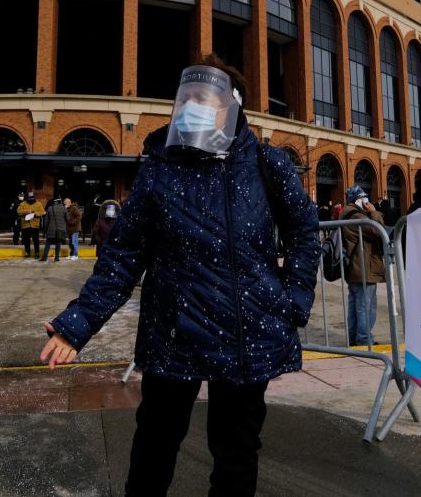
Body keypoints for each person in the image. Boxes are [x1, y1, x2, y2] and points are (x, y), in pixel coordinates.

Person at [40, 57, 320, 496]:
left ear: (232, 106)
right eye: (188, 97)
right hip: (174, 333)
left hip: (248, 335)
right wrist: (77, 326)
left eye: (206, 98)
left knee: (236, 453)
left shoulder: (267, 164)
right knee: (155, 444)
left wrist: (294, 300)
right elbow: (122, 258)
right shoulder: (159, 169)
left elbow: (305, 232)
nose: (195, 105)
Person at [340, 183, 386, 347]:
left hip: (356, 267)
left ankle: (354, 338)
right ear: (358, 200)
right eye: (364, 198)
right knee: (366, 306)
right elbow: (378, 230)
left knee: (355, 305)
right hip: (363, 266)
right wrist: (374, 211)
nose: (367, 201)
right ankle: (364, 339)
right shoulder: (357, 217)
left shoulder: (348, 215)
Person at [41, 197, 69, 262]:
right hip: (60, 230)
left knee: (48, 244)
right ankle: (57, 258)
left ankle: (44, 258)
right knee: (58, 244)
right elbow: (68, 219)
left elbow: (46, 221)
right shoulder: (64, 209)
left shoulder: (50, 208)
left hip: (50, 230)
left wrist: (44, 231)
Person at [17, 192, 45, 258]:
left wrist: (35, 214)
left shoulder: (38, 204)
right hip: (25, 225)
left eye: (32, 197)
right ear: (27, 198)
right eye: (29, 198)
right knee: (26, 240)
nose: (31, 199)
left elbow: (42, 212)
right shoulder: (22, 204)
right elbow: (18, 212)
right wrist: (26, 211)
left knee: (36, 240)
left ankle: (37, 253)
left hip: (35, 225)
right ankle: (27, 252)